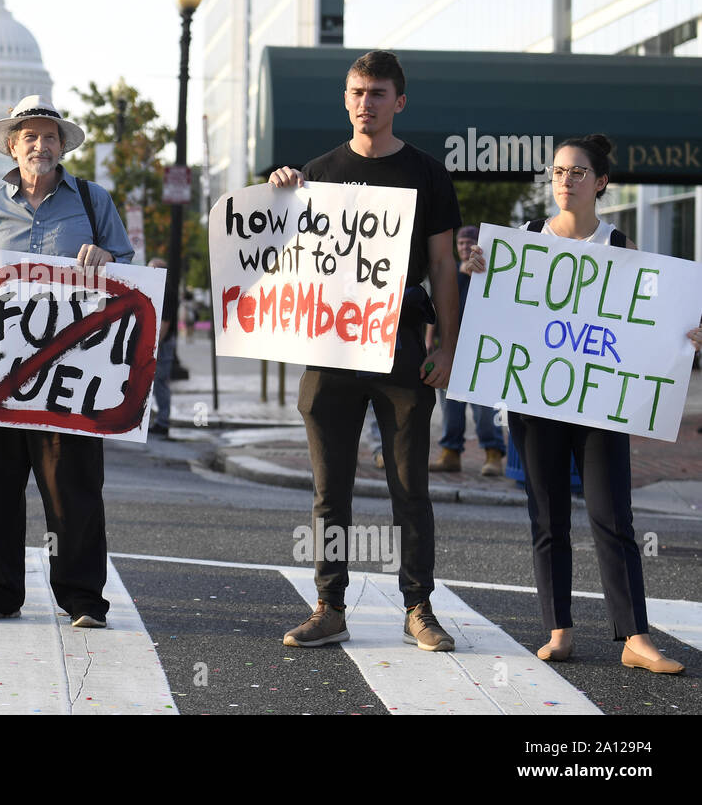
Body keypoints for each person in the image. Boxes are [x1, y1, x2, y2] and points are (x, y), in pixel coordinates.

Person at [463, 134, 702, 674]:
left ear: (601, 183)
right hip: (537, 399)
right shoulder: (521, 242)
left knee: (612, 516)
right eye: (557, 172)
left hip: (598, 406)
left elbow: (650, 323)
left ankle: (634, 637)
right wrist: (479, 272)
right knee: (547, 519)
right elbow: (497, 315)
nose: (565, 180)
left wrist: (685, 337)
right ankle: (559, 631)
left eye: (576, 172)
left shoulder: (620, 246)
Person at [270, 51, 462, 651]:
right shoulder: (317, 173)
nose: (365, 103)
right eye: (356, 92)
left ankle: (419, 607)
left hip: (402, 346)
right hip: (330, 349)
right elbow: (281, 260)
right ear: (345, 98)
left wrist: (448, 348)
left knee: (411, 489)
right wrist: (280, 197)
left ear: (398, 102)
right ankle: (330, 606)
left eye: (378, 93)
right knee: (331, 492)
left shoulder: (428, 174)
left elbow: (442, 267)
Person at [0, 95, 134, 629]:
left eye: (49, 136)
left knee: (74, 491)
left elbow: (132, 274)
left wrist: (108, 258)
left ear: (62, 146)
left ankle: (83, 598)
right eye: (29, 137)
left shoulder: (92, 202)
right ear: (13, 147)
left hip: (69, 379)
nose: (39, 145)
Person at [427, 225, 507, 476]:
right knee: (451, 407)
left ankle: (492, 453)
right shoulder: (447, 272)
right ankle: (450, 453)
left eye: (468, 243)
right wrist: (430, 340)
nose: (463, 247)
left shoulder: (491, 273)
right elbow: (434, 309)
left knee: (484, 408)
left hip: (482, 352)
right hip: (450, 350)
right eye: (460, 243)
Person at [148, 256, 176, 439]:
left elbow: (165, 322)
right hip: (162, 342)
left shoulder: (165, 290)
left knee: (159, 382)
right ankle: (159, 420)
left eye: (151, 269)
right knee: (157, 382)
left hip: (163, 344)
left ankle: (163, 421)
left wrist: (154, 345)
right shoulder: (163, 288)